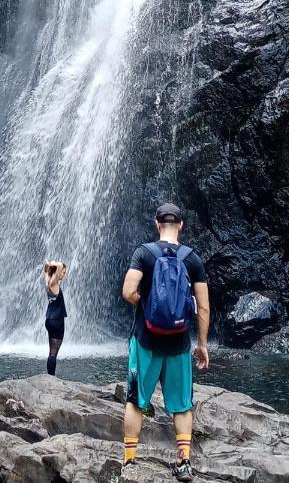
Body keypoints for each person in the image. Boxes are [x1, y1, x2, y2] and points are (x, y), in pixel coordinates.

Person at [121, 202, 210, 481]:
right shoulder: (192, 259)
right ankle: (184, 462)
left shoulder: (143, 253)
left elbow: (128, 291)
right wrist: (202, 344)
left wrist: (147, 305)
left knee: (136, 400)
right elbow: (204, 307)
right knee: (182, 404)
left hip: (145, 339)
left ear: (157, 224)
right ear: (180, 225)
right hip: (179, 343)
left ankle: (130, 461)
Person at [43, 260, 67, 375]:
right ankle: (51, 377)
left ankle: (50, 375)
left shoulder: (48, 280)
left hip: (49, 319)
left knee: (51, 351)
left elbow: (45, 269)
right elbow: (60, 265)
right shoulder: (54, 283)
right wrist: (54, 264)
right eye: (63, 272)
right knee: (54, 352)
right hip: (57, 320)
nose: (63, 274)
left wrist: (48, 265)